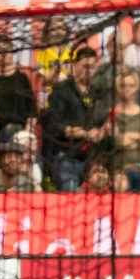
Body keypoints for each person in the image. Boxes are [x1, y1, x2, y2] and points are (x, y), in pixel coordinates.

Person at [42, 46, 108, 192]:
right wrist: (83, 133)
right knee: (70, 198)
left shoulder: (98, 92)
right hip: (67, 157)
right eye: (85, 66)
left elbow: (103, 122)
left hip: (93, 160)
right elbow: (51, 124)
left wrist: (103, 132)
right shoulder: (61, 90)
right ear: (74, 66)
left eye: (92, 67)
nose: (89, 70)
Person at [0, 34, 38, 143]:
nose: (4, 53)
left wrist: (27, 134)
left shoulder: (21, 78)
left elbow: (32, 111)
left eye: (7, 49)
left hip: (19, 132)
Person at [108, 70, 140, 192]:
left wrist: (126, 136)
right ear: (117, 88)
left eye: (131, 85)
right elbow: (116, 142)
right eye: (123, 85)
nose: (127, 89)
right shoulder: (112, 114)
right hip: (120, 175)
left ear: (137, 88)